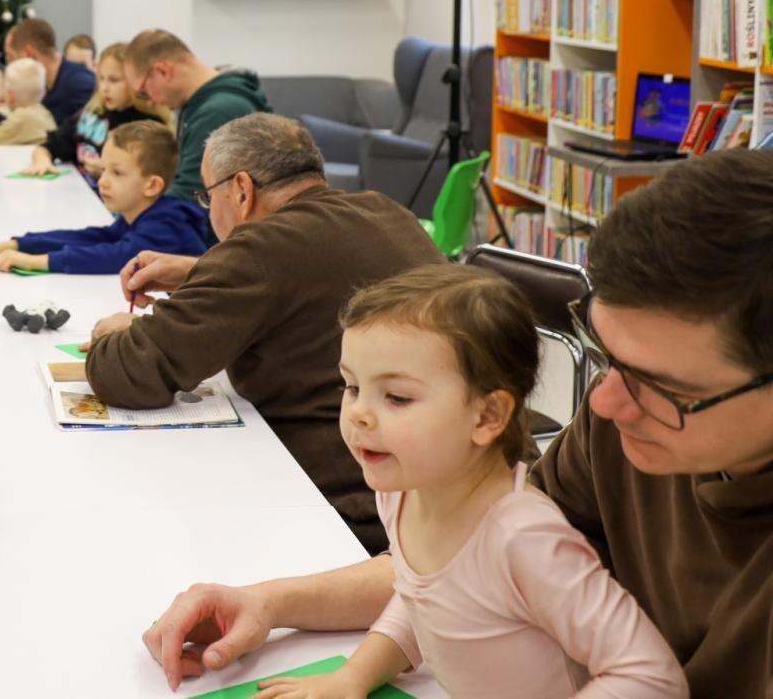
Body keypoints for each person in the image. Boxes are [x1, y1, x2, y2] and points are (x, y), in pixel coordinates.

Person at [140, 150, 773, 698]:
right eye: (606, 355)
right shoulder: (624, 427)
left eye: (664, 387)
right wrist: (271, 602)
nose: (604, 402)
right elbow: (463, 562)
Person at [252, 265, 683, 699]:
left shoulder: (525, 539)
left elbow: (650, 675)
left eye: (397, 397)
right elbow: (420, 601)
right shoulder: (400, 494)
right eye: (351, 386)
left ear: (487, 416)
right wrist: (354, 677)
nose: (359, 413)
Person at [86, 115, 441, 551]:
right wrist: (203, 270)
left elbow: (129, 372)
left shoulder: (258, 249)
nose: (207, 208)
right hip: (447, 488)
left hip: (353, 512)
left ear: (240, 189)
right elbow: (316, 274)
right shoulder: (385, 210)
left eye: (206, 195)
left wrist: (118, 331)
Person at [0, 122, 206, 275]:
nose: (103, 181)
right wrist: (19, 244)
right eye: (103, 170)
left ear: (152, 185)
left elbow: (116, 256)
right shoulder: (141, 214)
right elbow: (95, 238)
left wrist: (35, 262)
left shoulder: (167, 224)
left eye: (117, 173)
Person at [120, 29, 269, 204]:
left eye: (144, 92)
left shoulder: (215, 112)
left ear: (162, 71)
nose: (150, 102)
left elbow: (190, 198)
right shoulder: (200, 103)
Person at [24, 41, 170, 180]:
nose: (104, 88)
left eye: (114, 80)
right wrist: (42, 160)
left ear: (135, 81)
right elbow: (50, 145)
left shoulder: (147, 125)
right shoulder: (93, 112)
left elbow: (145, 181)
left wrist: (108, 172)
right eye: (101, 79)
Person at [4, 18, 96, 126]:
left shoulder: (78, 84)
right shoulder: (45, 86)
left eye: (12, 58)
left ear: (29, 54)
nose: (11, 65)